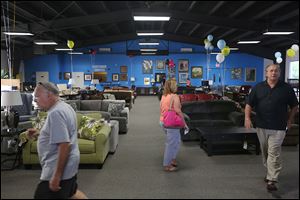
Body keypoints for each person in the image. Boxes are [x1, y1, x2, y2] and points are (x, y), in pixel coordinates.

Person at [27, 82, 88, 199]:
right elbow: (66, 132)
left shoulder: (56, 113)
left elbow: (64, 145)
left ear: (49, 95)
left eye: (37, 96)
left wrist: (56, 176)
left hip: (57, 169)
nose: (35, 100)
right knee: (72, 193)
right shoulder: (65, 106)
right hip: (71, 165)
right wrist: (41, 133)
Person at [244, 64, 298, 192]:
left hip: (279, 126)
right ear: (266, 73)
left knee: (274, 152)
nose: (274, 73)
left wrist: (290, 120)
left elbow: (294, 105)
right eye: (271, 70)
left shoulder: (286, 88)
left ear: (279, 73)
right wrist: (247, 118)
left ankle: (272, 179)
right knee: (266, 152)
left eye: (276, 71)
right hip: (261, 125)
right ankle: (270, 172)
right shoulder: (258, 87)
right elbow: (248, 104)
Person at [160, 79, 187, 172]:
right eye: (176, 85)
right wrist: (184, 123)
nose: (177, 87)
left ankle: (172, 159)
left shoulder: (164, 96)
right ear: (173, 87)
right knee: (171, 144)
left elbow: (161, 108)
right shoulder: (175, 96)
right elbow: (178, 111)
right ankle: (167, 165)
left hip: (164, 121)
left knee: (176, 141)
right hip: (172, 123)